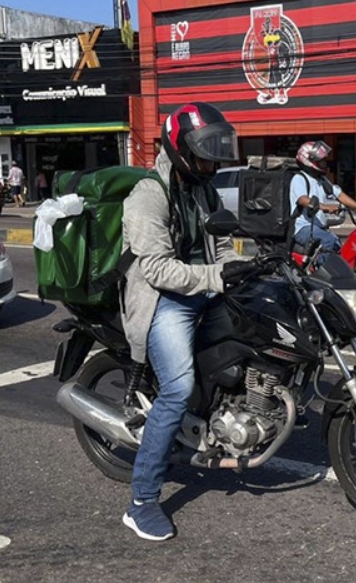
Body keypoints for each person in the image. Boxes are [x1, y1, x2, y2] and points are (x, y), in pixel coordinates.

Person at [120, 102, 244, 541]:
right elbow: (157, 269)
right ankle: (141, 501)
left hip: (203, 289)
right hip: (162, 300)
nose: (212, 163)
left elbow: (223, 243)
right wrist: (217, 276)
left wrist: (239, 271)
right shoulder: (148, 197)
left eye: (216, 154)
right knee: (176, 389)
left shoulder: (203, 189)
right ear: (179, 149)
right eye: (205, 154)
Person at [290, 140, 356, 256]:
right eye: (320, 161)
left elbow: (340, 195)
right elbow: (302, 199)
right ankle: (321, 273)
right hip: (303, 228)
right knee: (328, 241)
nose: (324, 163)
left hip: (318, 227)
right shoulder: (299, 178)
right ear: (309, 161)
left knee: (339, 246)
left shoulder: (322, 180)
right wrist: (325, 207)